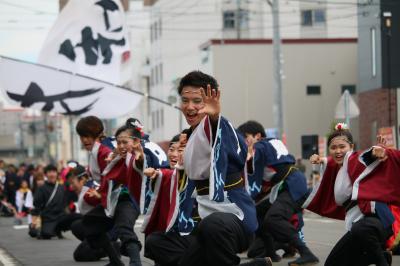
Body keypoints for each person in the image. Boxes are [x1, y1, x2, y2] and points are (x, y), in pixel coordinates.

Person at [174, 71, 270, 266]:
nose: (190, 107)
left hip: (234, 216)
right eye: (185, 100)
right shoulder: (191, 134)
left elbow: (237, 150)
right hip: (205, 219)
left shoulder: (217, 126)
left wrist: (215, 117)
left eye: (197, 101)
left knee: (212, 225)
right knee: (159, 241)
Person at [304, 123, 399, 266]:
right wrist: (321, 160)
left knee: (361, 230)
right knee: (333, 263)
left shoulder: (354, 159)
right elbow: (331, 161)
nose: (338, 151)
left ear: (351, 148)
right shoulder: (338, 167)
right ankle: (378, 257)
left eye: (342, 147)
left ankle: (380, 260)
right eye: (333, 147)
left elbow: (366, 155)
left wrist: (378, 150)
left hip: (375, 221)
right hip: (358, 227)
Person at [237, 120, 318, 265]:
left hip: (292, 184)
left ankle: (306, 253)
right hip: (285, 185)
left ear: (257, 136)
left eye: (245, 137)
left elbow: (253, 180)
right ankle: (271, 252)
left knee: (274, 218)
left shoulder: (259, 146)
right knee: (256, 214)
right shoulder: (271, 142)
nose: (243, 142)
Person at [81, 119, 144, 266]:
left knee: (124, 228)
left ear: (136, 142)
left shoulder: (137, 157)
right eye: (118, 142)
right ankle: (115, 259)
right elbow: (107, 179)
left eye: (124, 142)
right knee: (89, 223)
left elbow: (139, 163)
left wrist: (139, 158)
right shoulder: (115, 158)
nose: (121, 146)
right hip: (111, 202)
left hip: (129, 201)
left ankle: (136, 262)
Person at [143, 133, 200, 265]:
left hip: (195, 233)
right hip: (174, 233)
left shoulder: (198, 173)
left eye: (180, 150)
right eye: (171, 149)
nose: (174, 154)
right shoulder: (168, 175)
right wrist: (155, 174)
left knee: (156, 242)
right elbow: (166, 175)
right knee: (154, 240)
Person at [30, 164, 67, 239]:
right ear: (46, 174)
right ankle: (36, 229)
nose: (52, 174)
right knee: (46, 234)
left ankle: (58, 229)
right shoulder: (41, 189)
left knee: (75, 219)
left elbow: (65, 204)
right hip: (48, 218)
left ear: (57, 174)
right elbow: (36, 206)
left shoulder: (62, 187)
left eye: (54, 172)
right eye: (49, 172)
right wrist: (34, 221)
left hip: (61, 216)